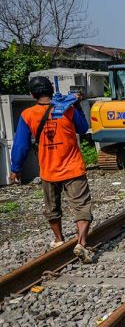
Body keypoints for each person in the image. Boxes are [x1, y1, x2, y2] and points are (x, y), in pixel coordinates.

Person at [10, 77, 95, 263]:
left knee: (52, 209)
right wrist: (77, 105)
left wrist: (15, 168)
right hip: (73, 168)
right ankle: (81, 243)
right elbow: (83, 128)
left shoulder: (27, 115)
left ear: (32, 95)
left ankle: (59, 240)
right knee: (82, 207)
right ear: (50, 91)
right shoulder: (68, 109)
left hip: (48, 170)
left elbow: (21, 145)